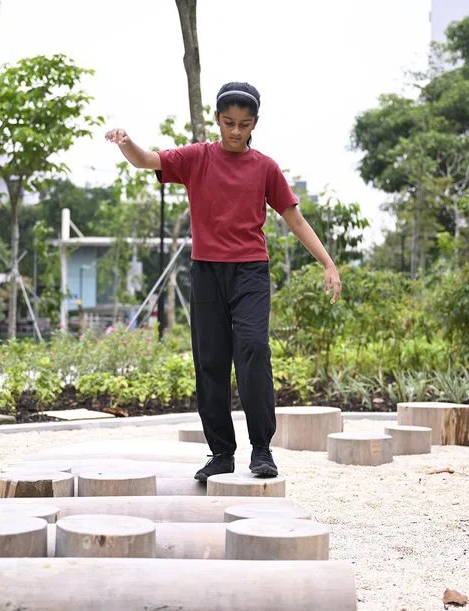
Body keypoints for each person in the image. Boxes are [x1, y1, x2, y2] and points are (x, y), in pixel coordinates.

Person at [106, 81, 341, 481]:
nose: (236, 131)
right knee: (210, 362)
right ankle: (221, 453)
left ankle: (262, 450)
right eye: (229, 122)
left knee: (253, 350)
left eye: (244, 124)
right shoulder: (196, 158)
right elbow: (146, 160)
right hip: (206, 272)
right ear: (217, 119)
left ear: (254, 125)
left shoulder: (265, 167)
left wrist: (328, 264)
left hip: (250, 271)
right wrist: (126, 142)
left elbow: (294, 218)